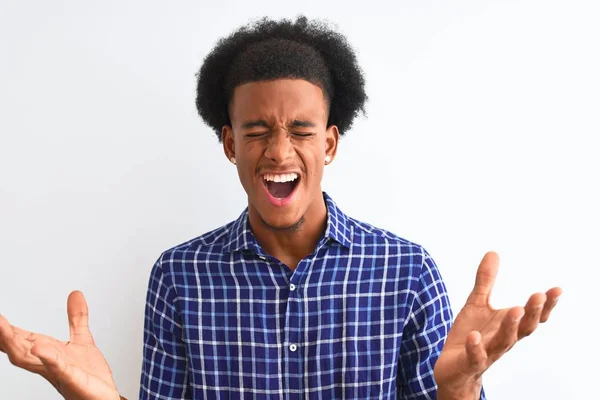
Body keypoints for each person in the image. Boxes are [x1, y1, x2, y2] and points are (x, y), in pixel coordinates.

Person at [0, 15, 561, 400]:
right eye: (257, 130)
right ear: (229, 144)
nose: (278, 151)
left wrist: (461, 386)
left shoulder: (408, 273)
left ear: (330, 144)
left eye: (300, 130)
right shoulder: (179, 276)